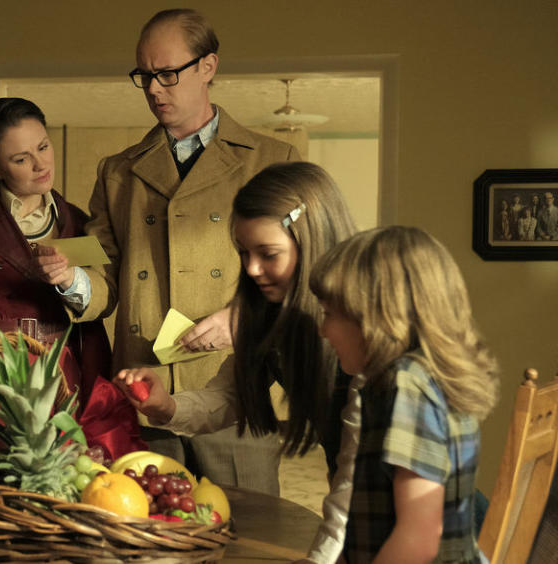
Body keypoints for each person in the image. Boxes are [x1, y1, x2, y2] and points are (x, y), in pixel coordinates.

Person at [56, 7, 300, 492]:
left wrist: (240, 319)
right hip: (142, 385)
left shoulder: (275, 160)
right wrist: (71, 278)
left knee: (247, 538)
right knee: (147, 536)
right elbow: (102, 270)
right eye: (144, 76)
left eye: (167, 73)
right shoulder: (117, 171)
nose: (153, 89)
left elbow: (302, 271)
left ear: (208, 66)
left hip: (232, 388)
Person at [114, 162, 357, 563]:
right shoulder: (269, 313)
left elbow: (356, 480)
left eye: (268, 253)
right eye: (244, 252)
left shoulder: (362, 325)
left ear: (312, 239)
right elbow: (229, 396)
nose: (251, 269)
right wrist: (167, 406)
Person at [0, 97, 145, 461]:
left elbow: (91, 324)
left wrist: (95, 394)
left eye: (43, 147)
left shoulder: (77, 221)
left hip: (62, 377)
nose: (41, 165)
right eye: (21, 159)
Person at [309, 226, 499, 563]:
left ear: (375, 316)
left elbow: (419, 537)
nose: (323, 332)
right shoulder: (417, 378)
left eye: (329, 315)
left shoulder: (407, 385)